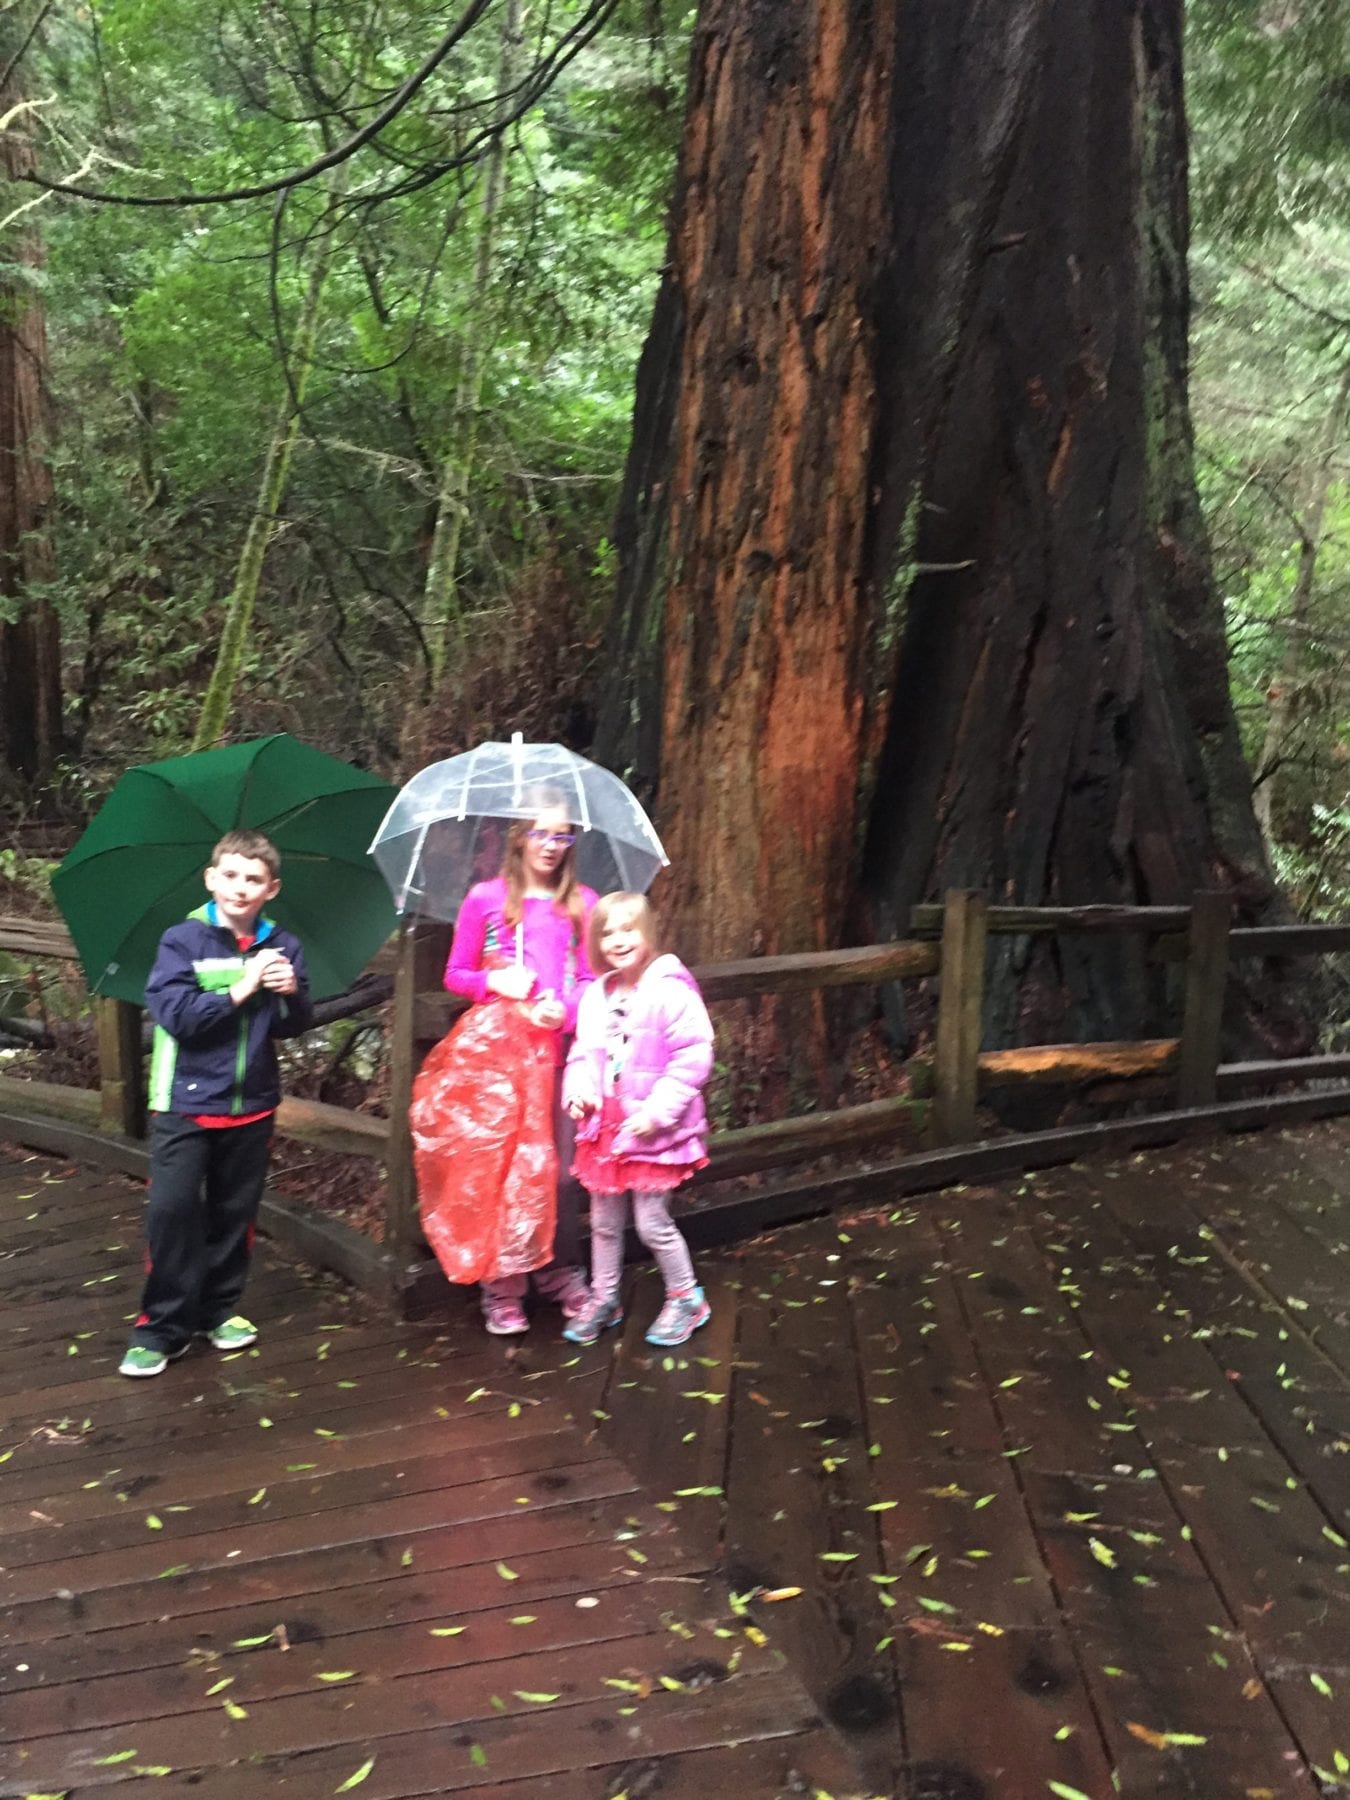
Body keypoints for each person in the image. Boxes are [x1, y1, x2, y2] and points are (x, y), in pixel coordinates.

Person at [119, 831, 312, 1377]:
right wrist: (242, 988)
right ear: (211, 879)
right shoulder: (182, 941)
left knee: (234, 1214)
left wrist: (292, 991)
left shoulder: (283, 944)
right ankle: (160, 1329)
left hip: (251, 1103)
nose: (241, 888)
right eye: (230, 875)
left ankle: (217, 1311)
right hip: (183, 1101)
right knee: (173, 1212)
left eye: (253, 879)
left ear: (271, 888)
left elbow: (296, 1027)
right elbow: (177, 1018)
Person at [429, 795, 597, 1335]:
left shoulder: (583, 904)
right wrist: (492, 982)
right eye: (542, 834)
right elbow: (456, 973)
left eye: (563, 836)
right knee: (498, 1165)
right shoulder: (486, 899)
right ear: (520, 835)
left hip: (560, 1055)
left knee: (561, 1168)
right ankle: (502, 1284)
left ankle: (556, 1269)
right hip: (497, 1058)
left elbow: (593, 979)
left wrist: (564, 1011)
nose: (551, 846)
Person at [562, 891, 713, 1349]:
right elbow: (583, 1054)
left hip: (653, 1127)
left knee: (651, 1223)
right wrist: (579, 1093)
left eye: (628, 929)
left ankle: (686, 1296)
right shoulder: (596, 995)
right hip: (604, 1126)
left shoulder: (670, 989)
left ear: (646, 932)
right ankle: (605, 1297)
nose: (618, 940)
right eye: (607, 932)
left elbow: (693, 1056)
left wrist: (658, 1112)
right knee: (604, 1222)